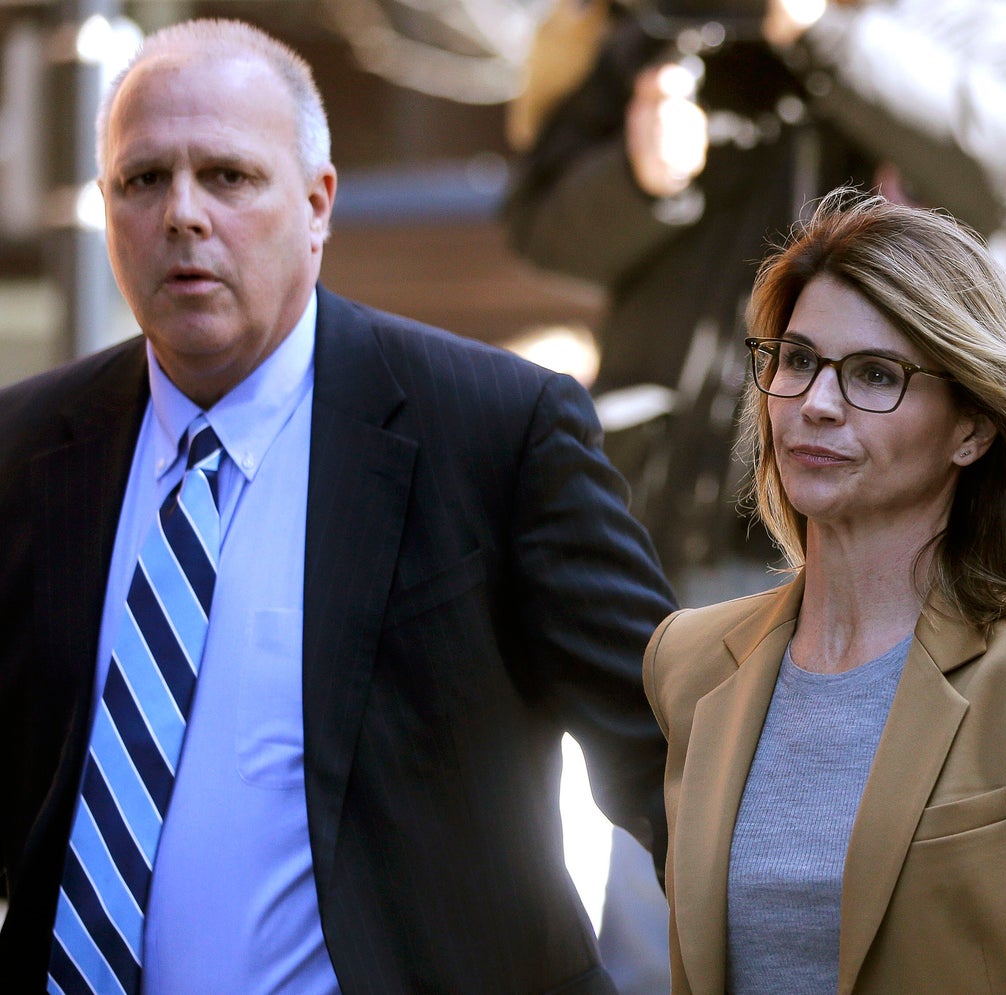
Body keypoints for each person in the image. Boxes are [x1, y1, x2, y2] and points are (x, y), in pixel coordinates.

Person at [0, 20, 676, 993]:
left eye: (228, 176)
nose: (182, 213)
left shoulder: (490, 431)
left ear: (318, 203)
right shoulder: (24, 452)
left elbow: (670, 762)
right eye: (143, 179)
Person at [641, 191, 1006, 993]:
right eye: (798, 360)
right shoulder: (689, 661)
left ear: (972, 427)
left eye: (875, 375)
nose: (816, 404)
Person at [500, 0, 1006, 606]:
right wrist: (640, 176)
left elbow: (1004, 157)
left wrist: (822, 34)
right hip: (673, 503)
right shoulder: (668, 21)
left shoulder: (950, 15)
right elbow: (539, 229)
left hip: (890, 523)